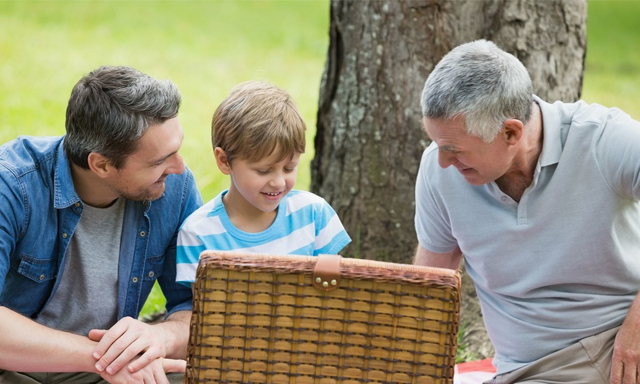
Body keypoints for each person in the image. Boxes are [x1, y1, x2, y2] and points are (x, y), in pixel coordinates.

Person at [414, 39, 640, 384]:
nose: (442, 161)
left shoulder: (604, 140)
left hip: (622, 339)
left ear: (510, 132)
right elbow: (429, 289)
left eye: (453, 149)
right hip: (535, 369)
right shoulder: (438, 169)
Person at [0, 66, 203, 384]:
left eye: (176, 151)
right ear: (101, 164)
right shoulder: (13, 184)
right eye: (159, 160)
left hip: (114, 373)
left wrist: (161, 337)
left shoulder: (175, 188)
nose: (178, 167)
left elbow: (201, 307)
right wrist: (106, 359)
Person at [176, 81, 351, 285]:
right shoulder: (198, 234)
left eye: (289, 168)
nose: (278, 182)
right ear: (224, 161)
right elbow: (203, 310)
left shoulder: (314, 215)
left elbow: (333, 293)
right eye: (264, 170)